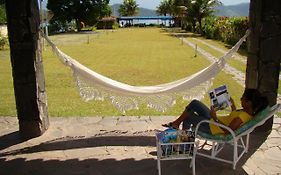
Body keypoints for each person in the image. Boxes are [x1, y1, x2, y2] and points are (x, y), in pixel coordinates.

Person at [162, 88, 269, 135]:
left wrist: (215, 117)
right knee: (195, 103)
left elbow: (228, 131)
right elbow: (234, 115)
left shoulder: (243, 117)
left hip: (212, 126)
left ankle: (185, 145)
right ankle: (176, 124)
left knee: (189, 118)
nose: (241, 99)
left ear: (249, 103)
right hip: (213, 121)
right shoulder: (246, 112)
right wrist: (232, 104)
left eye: (243, 98)